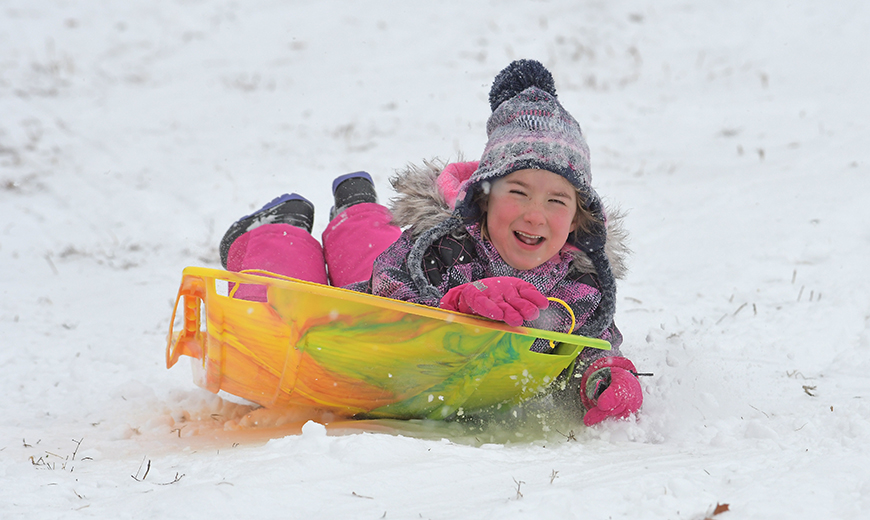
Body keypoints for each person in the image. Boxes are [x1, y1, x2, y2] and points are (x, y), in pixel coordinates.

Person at [218, 59, 642, 426]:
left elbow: (591, 341)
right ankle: (279, 227)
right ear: (483, 196)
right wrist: (453, 305)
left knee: (368, 250)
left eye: (556, 200)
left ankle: (357, 207)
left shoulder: (579, 282)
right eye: (518, 192)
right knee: (282, 302)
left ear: (577, 221)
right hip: (365, 338)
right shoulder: (447, 242)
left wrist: (603, 376)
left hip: (439, 374)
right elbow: (387, 284)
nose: (535, 214)